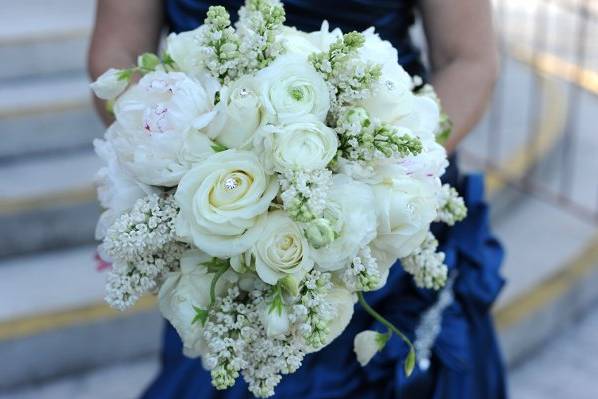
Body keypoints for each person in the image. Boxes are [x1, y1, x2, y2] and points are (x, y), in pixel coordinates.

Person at [89, 1, 506, 398]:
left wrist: (383, 163)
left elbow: (468, 59)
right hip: (216, 233)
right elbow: (118, 49)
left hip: (381, 217)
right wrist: (175, 153)